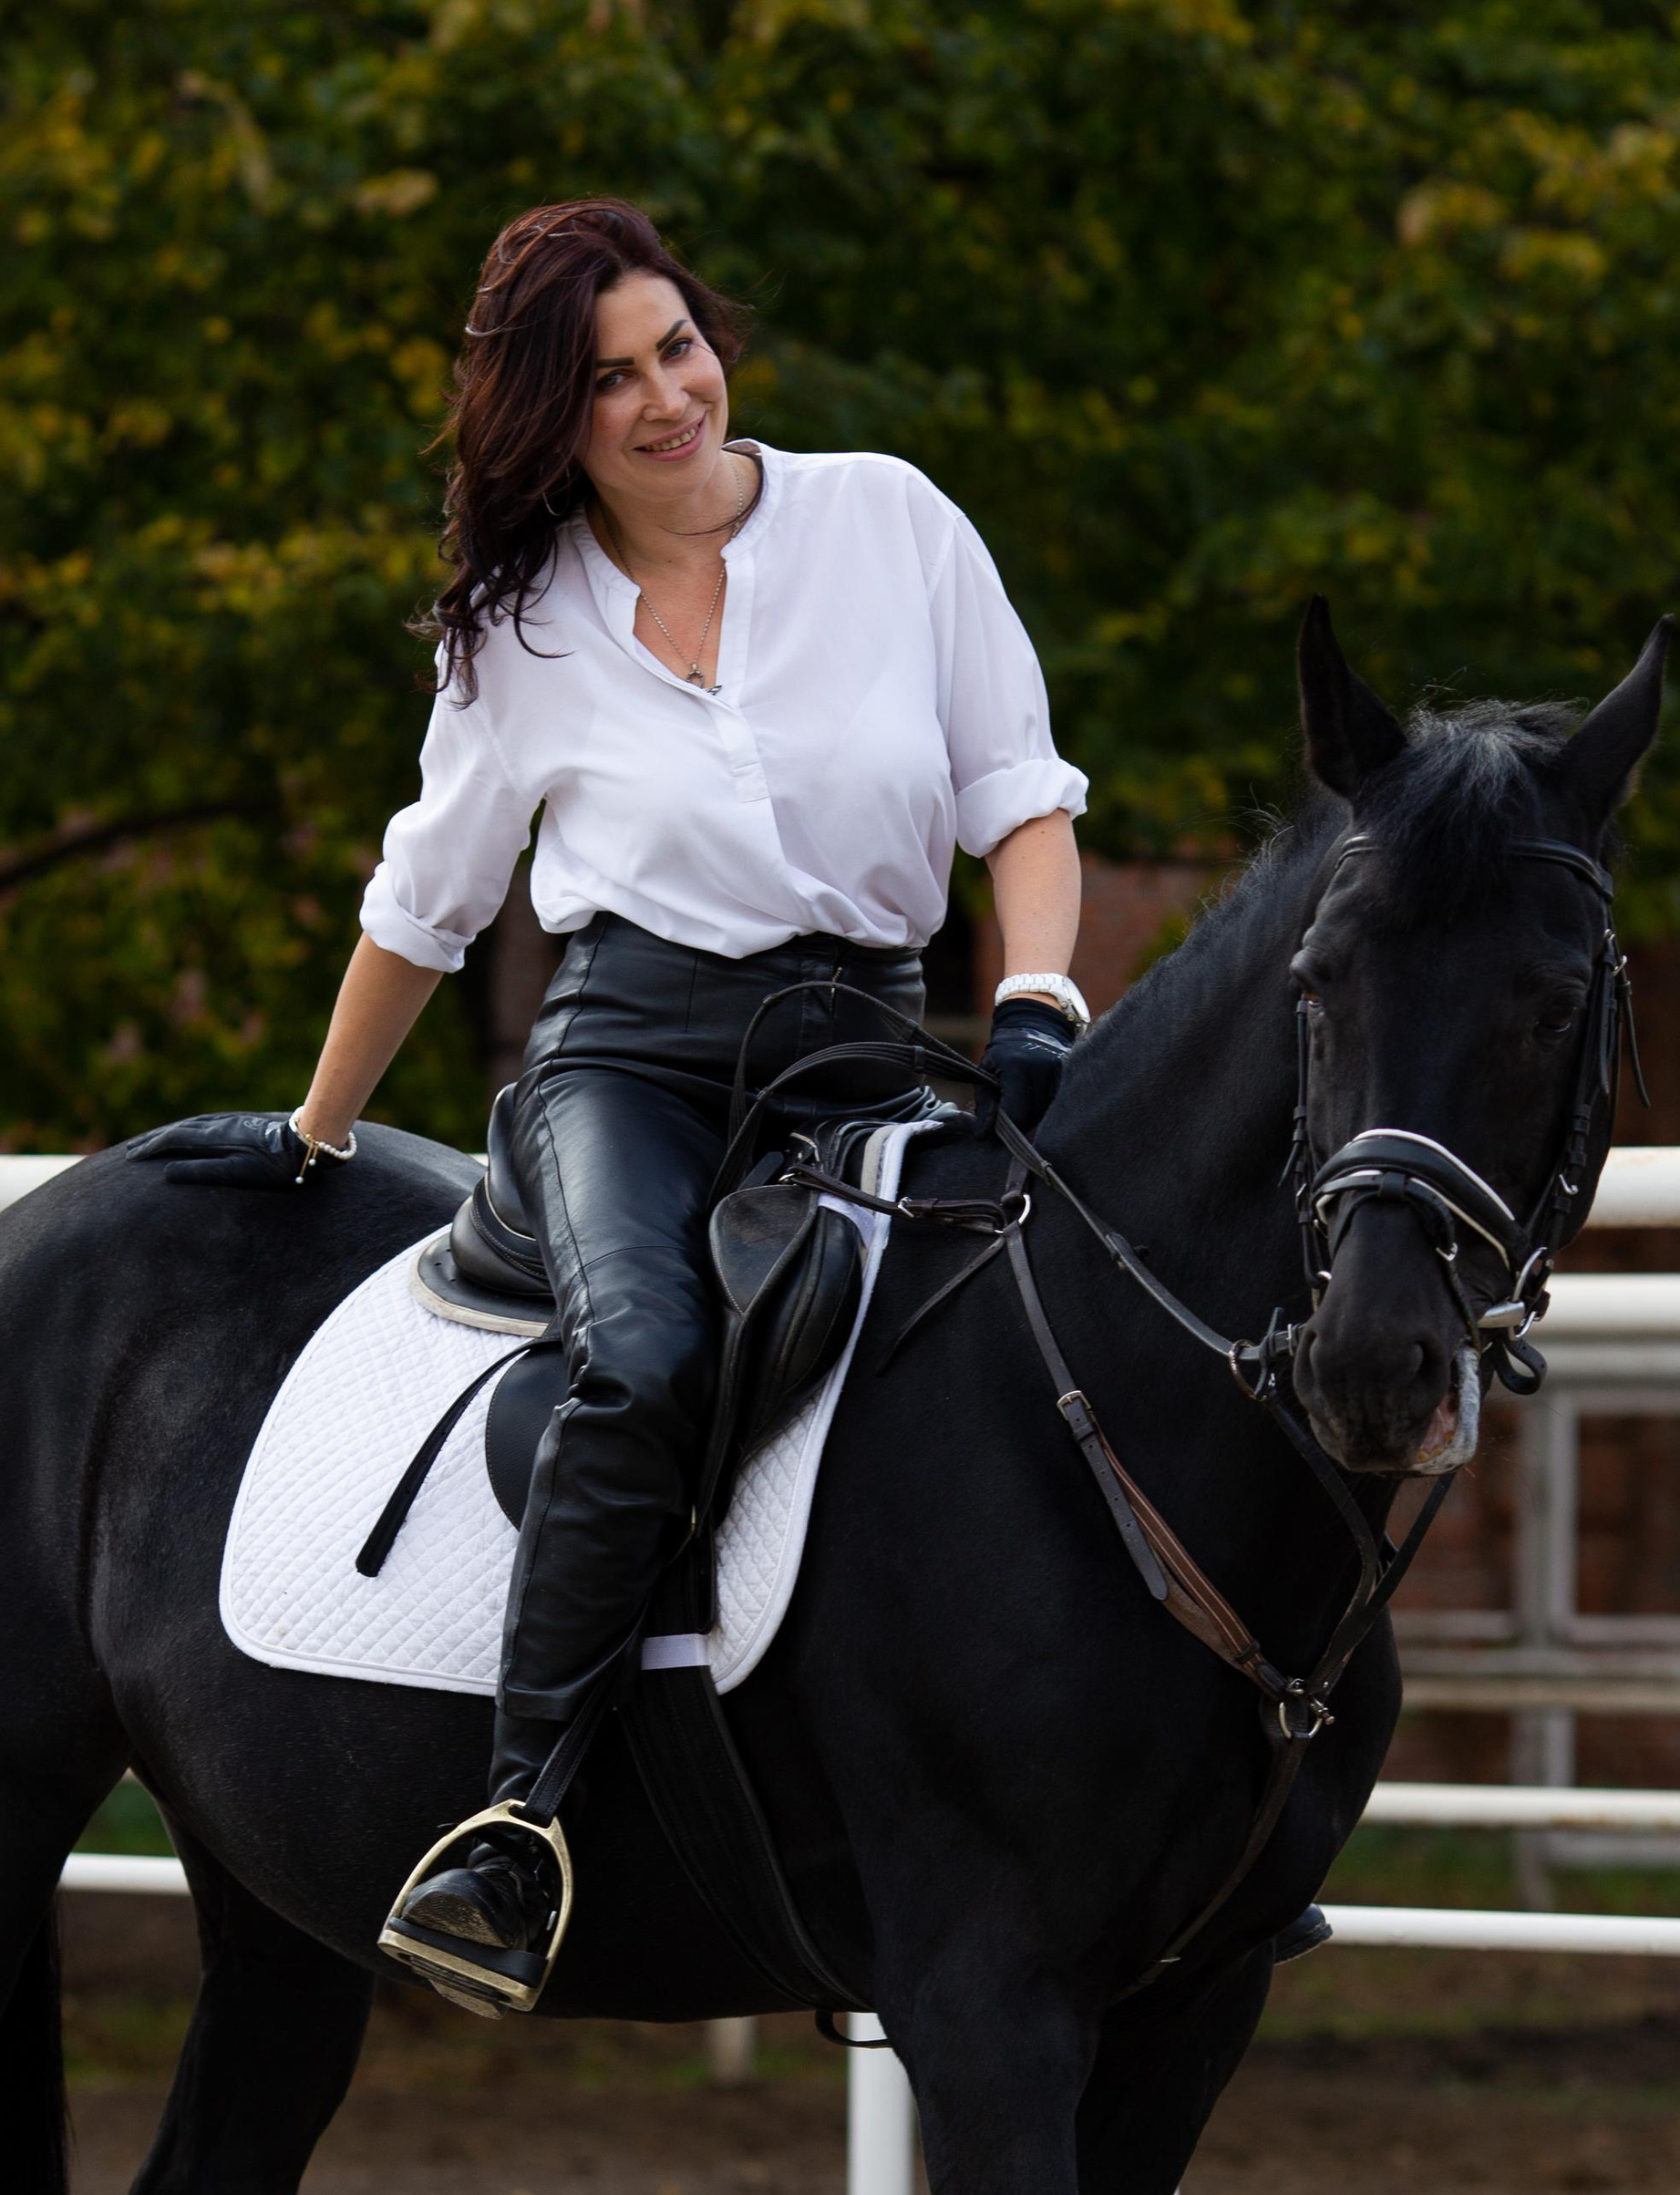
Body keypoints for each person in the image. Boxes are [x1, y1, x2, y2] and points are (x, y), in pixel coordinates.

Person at [174, 198, 1087, 2010]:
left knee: (1030, 1334)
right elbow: (426, 903)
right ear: (551, 418)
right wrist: (317, 1129)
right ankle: (516, 1825)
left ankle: (1138, 1808)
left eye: (677, 348)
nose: (667, 396)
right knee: (651, 1352)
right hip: (631, 1063)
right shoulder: (518, 631)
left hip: (867, 1049)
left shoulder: (892, 522)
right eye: (610, 380)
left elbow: (1021, 799)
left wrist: (1039, 1003)